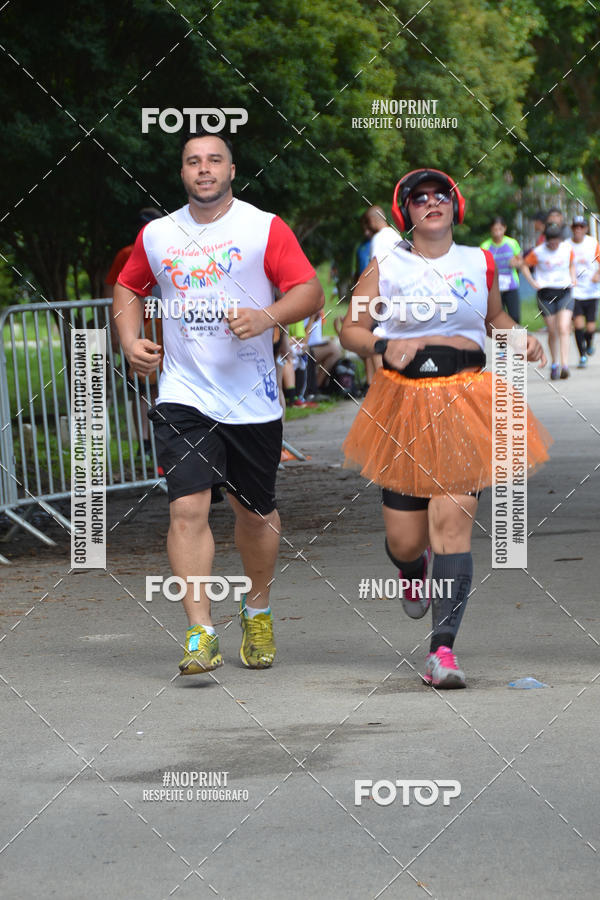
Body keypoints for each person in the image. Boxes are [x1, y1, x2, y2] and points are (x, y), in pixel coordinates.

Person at [113, 129, 323, 675]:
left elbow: (310, 290)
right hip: (183, 393)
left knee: (255, 515)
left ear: (232, 170)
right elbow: (128, 287)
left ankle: (258, 609)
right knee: (187, 506)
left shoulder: (263, 227)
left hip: (252, 399)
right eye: (193, 161)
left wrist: (267, 316)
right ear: (182, 173)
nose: (203, 168)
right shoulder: (159, 234)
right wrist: (130, 340)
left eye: (214, 160)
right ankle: (200, 632)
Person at [340, 167, 551, 689]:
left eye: (441, 195)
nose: (431, 203)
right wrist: (385, 345)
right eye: (419, 198)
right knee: (406, 541)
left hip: (465, 399)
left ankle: (442, 651)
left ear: (455, 206)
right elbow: (351, 330)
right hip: (402, 404)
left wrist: (520, 337)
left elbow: (494, 319)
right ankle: (412, 571)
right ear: (405, 212)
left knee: (454, 521)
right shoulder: (386, 266)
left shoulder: (479, 261)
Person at [105, 208, 163, 466]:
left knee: (161, 388)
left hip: (168, 331)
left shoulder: (170, 249)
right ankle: (146, 443)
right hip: (140, 332)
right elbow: (112, 291)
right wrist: (119, 333)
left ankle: (163, 441)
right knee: (143, 389)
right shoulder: (127, 253)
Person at [521, 222, 577, 379]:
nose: (554, 243)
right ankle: (555, 363)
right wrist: (532, 282)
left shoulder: (567, 249)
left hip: (564, 292)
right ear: (546, 239)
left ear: (560, 239)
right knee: (552, 330)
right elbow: (524, 265)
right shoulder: (538, 252)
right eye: (551, 240)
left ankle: (565, 365)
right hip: (545, 294)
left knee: (564, 327)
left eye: (556, 240)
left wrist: (573, 277)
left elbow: (571, 264)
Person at [567, 215, 600, 368]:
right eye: (576, 226)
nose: (578, 229)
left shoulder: (592, 243)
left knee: (591, 327)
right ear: (572, 228)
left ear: (586, 228)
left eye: (581, 226)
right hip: (575, 292)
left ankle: (589, 342)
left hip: (592, 291)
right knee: (579, 325)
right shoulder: (566, 245)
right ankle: (582, 356)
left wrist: (598, 274)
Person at [480, 216, 523, 323]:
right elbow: (481, 266)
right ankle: (501, 335)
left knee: (515, 316)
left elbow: (521, 262)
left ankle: (516, 335)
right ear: (491, 230)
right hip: (494, 288)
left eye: (500, 229)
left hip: (511, 285)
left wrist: (516, 263)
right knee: (497, 318)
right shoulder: (485, 246)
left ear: (505, 228)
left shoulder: (512, 243)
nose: (498, 233)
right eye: (495, 229)